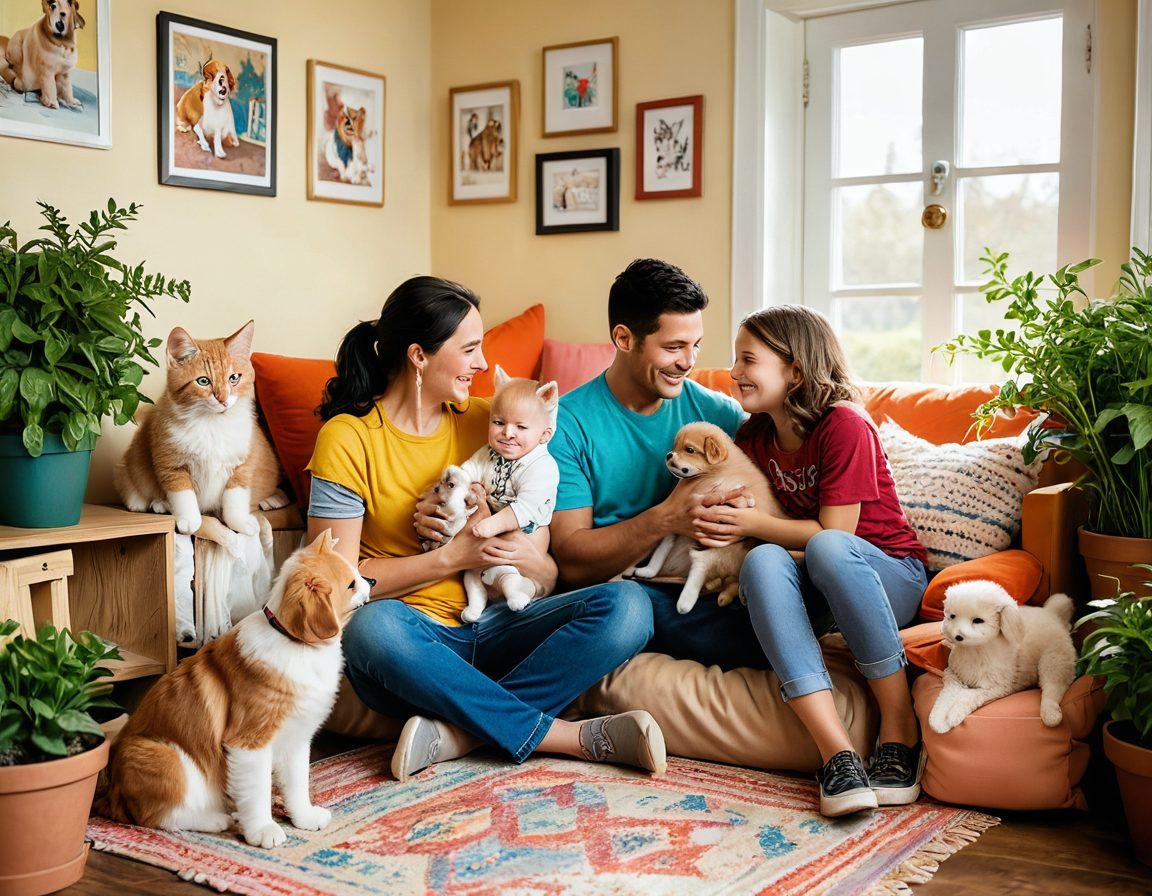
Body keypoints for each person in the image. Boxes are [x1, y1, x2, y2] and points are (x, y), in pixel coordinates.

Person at [306, 276, 665, 782]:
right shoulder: (347, 439)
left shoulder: (494, 422)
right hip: (414, 645)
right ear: (418, 356)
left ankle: (461, 734)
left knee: (629, 606)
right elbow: (331, 585)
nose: (481, 364)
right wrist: (454, 558)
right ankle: (567, 737)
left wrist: (511, 547)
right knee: (372, 628)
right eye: (470, 349)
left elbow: (542, 565)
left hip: (498, 622)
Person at [695, 305, 928, 817]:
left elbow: (836, 533)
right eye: (736, 358)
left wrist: (751, 525)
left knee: (822, 546)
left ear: (795, 370)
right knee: (760, 563)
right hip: (816, 582)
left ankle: (900, 728)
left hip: (888, 577)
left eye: (748, 359)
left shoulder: (844, 425)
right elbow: (739, 511)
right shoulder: (753, 437)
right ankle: (836, 755)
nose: (734, 371)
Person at [549, 258, 766, 670]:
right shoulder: (568, 424)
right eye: (673, 347)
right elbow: (573, 562)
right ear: (625, 338)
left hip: (711, 584)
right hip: (627, 591)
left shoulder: (715, 415)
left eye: (695, 345)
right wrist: (668, 518)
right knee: (627, 607)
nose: (689, 362)